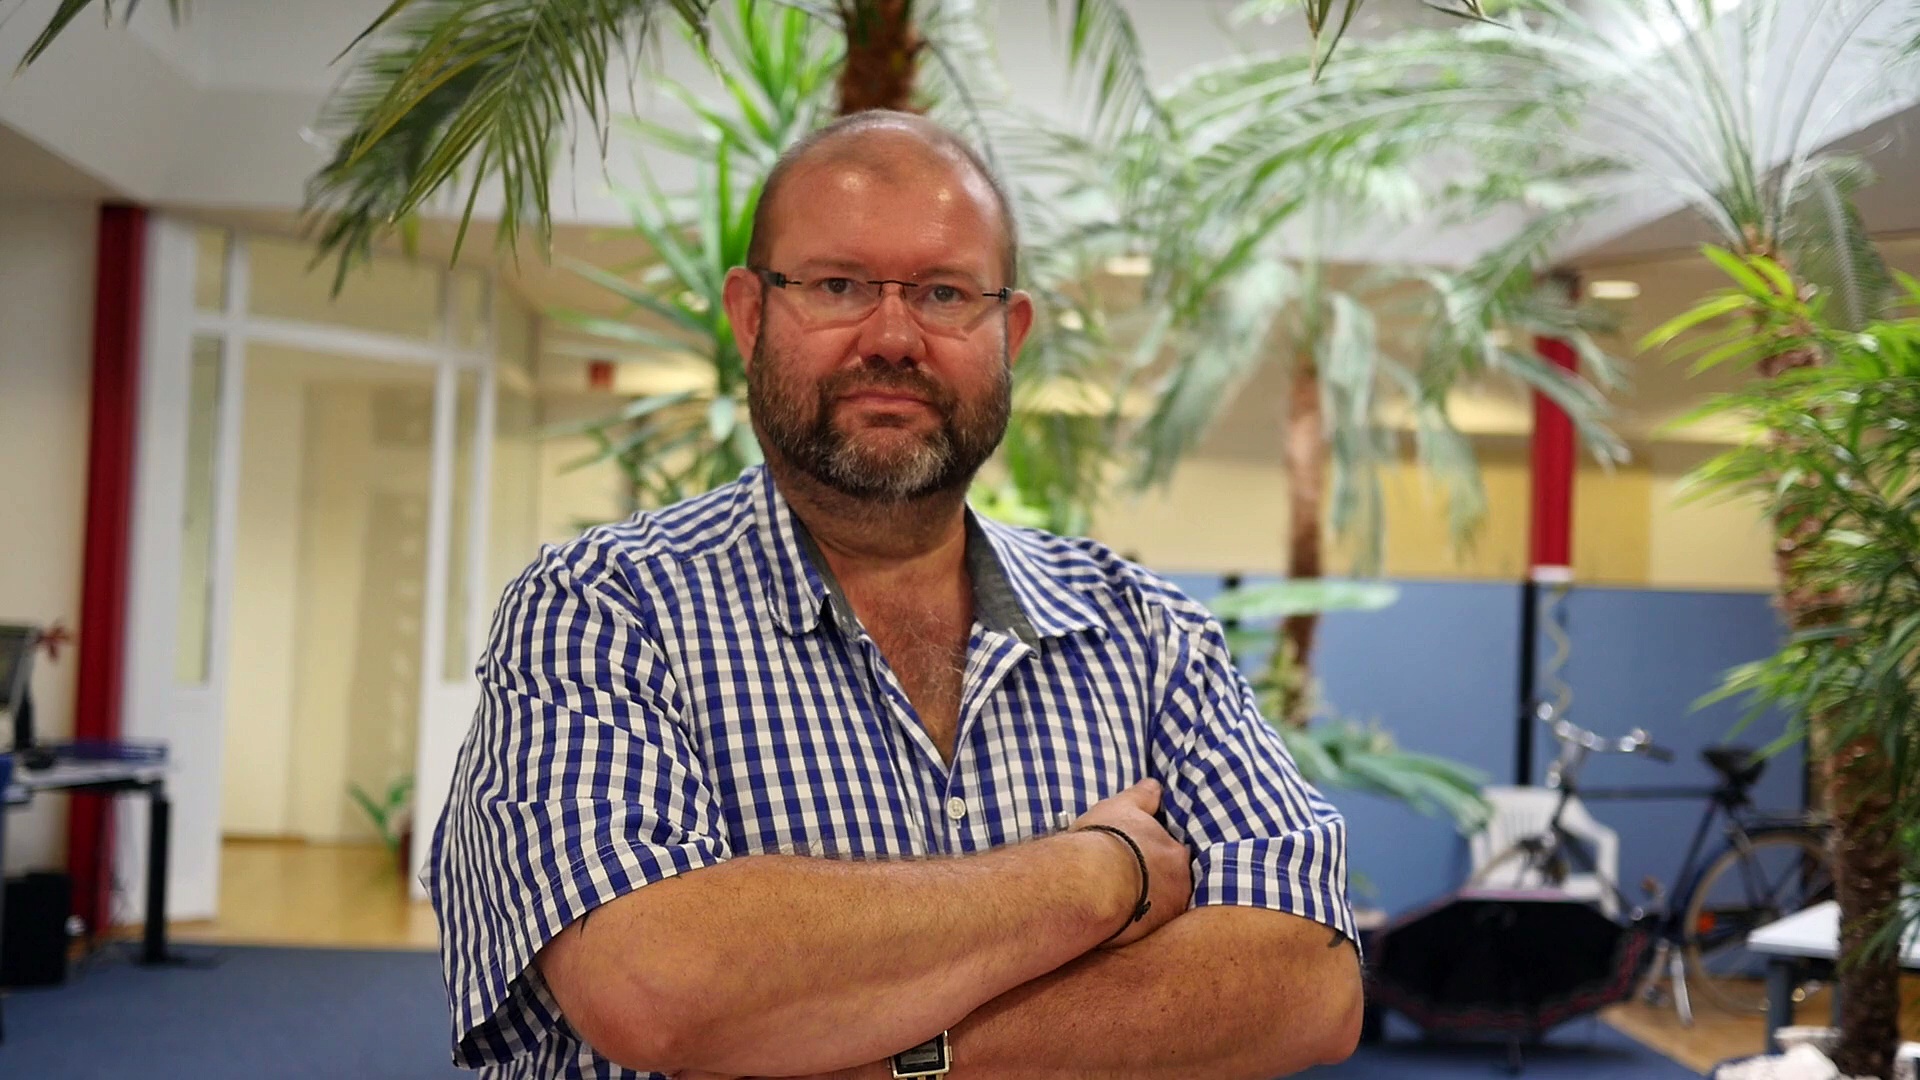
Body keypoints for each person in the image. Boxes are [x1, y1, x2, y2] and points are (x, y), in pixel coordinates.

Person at [427, 109, 1362, 1080]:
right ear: (750, 316)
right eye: (837, 285)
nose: (892, 337)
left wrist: (898, 1059)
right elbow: (654, 984)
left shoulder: (1147, 634)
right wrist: (1096, 874)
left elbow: (1310, 981)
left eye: (945, 293)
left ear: (1010, 333)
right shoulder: (601, 610)